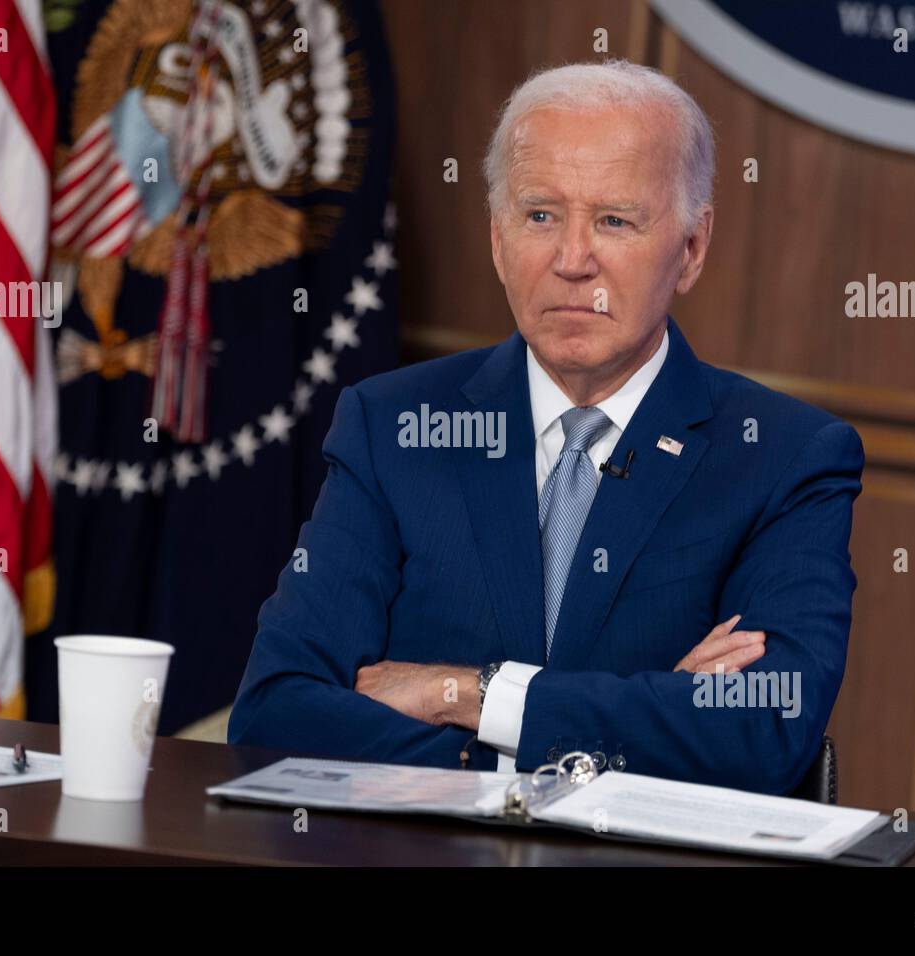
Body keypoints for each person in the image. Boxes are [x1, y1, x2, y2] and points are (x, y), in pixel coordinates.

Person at [228, 59, 864, 795]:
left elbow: (762, 727)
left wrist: (466, 695)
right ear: (499, 239)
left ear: (691, 248)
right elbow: (276, 713)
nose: (571, 261)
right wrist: (631, 722)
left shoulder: (783, 458)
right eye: (540, 216)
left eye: (615, 220)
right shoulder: (394, 425)